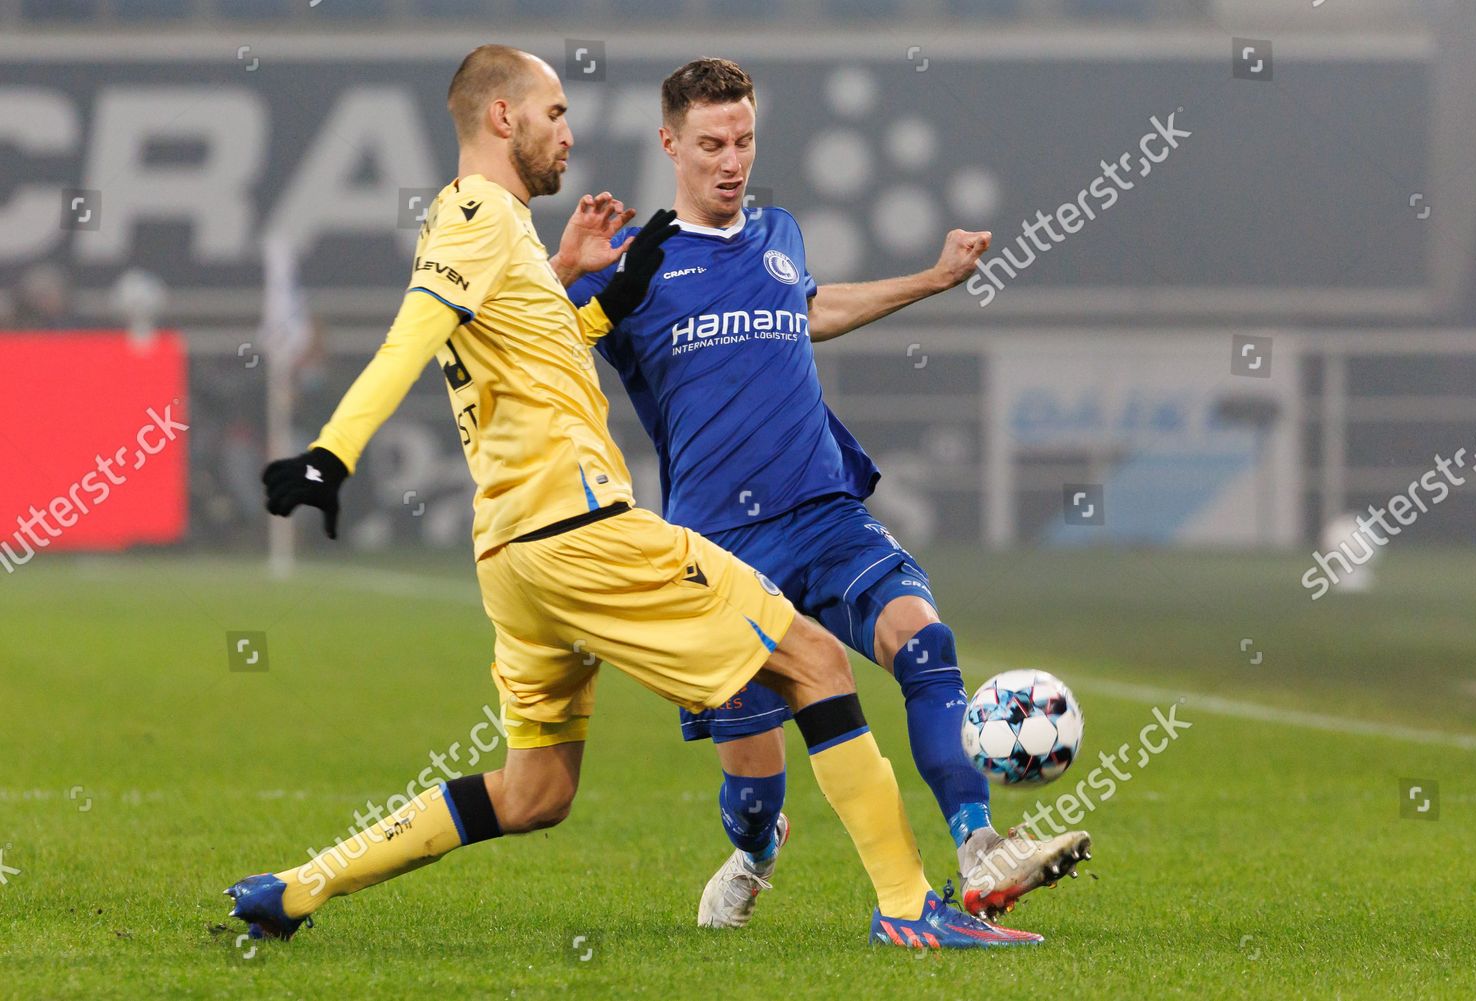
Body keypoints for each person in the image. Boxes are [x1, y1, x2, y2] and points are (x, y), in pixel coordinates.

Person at [226, 44, 1036, 950]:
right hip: (580, 527)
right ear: (503, 118)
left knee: (536, 792)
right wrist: (329, 455)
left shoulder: (517, 244)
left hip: (510, 556)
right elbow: (412, 333)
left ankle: (298, 887)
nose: (569, 132)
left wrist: (590, 285)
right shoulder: (474, 214)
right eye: (555, 113)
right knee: (818, 663)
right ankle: (908, 906)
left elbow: (547, 353)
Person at [566, 58, 1090, 929]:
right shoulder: (630, 264)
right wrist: (560, 269)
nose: (731, 161)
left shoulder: (779, 232)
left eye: (744, 140)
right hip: (716, 551)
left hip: (823, 511)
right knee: (756, 784)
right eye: (710, 145)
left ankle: (981, 849)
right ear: (668, 143)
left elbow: (806, 308)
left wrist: (930, 279)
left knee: (925, 644)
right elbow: (522, 339)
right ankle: (756, 850)